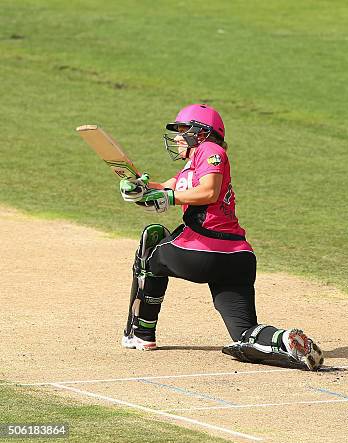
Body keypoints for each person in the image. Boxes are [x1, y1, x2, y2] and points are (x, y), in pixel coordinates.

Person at [118, 104, 323, 371]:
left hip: (203, 252)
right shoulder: (191, 168)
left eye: (182, 130)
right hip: (237, 259)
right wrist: (140, 188)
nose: (178, 137)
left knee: (152, 239)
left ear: (200, 133)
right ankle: (283, 339)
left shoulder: (211, 151)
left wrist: (165, 196)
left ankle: (141, 334)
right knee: (244, 332)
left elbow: (209, 192)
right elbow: (166, 189)